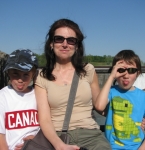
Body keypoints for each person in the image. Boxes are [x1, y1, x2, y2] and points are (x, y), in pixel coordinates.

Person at [34, 18, 111, 150]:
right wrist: (59, 145)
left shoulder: (88, 70)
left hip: (91, 136)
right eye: (59, 39)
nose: (65, 44)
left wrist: (135, 115)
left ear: (77, 46)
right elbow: (45, 119)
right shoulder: (42, 77)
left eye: (71, 40)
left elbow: (100, 107)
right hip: (57, 137)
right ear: (51, 44)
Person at [95, 50, 145, 150]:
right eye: (121, 70)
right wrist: (111, 77)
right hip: (111, 147)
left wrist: (143, 148)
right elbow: (99, 106)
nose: (126, 75)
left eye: (132, 70)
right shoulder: (111, 92)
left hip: (137, 147)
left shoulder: (144, 96)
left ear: (138, 73)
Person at [0, 49, 40, 150]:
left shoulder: (39, 94)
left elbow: (48, 124)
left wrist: (37, 140)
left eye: (26, 74)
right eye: (15, 74)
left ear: (33, 74)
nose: (20, 79)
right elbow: (1, 135)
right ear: (8, 73)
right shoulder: (3, 96)